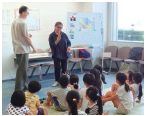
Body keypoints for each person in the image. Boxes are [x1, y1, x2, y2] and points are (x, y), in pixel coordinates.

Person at [11, 6, 36, 91]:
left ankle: (23, 87)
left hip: (17, 48)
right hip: (23, 49)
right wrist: (33, 47)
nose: (28, 14)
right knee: (23, 70)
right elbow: (26, 38)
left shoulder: (14, 21)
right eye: (27, 13)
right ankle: (20, 88)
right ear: (23, 13)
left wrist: (27, 36)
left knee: (21, 69)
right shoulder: (22, 23)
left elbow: (20, 36)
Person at [49, 22, 71, 87]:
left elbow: (69, 43)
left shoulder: (64, 35)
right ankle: (57, 81)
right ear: (54, 27)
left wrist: (68, 47)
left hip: (64, 54)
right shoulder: (51, 35)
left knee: (64, 68)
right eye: (58, 27)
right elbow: (52, 46)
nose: (59, 29)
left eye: (60, 27)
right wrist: (57, 40)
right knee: (57, 68)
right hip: (56, 54)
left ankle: (64, 81)